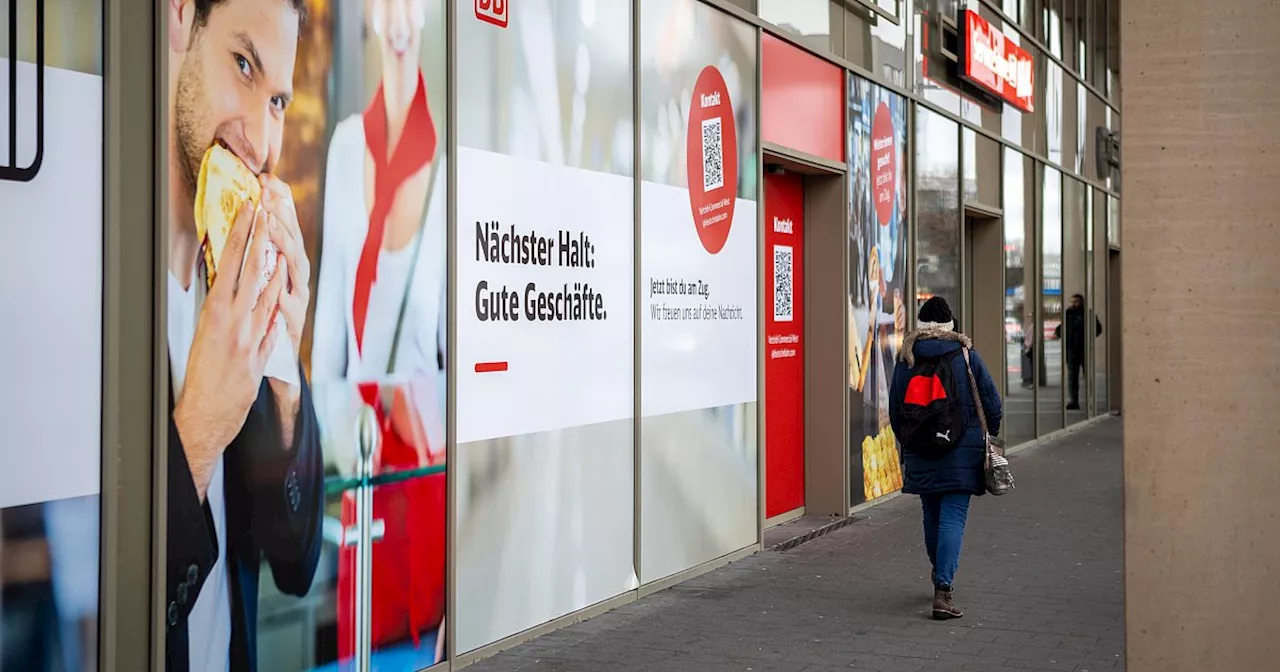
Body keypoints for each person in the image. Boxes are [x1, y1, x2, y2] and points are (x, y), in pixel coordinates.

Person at [163, 0, 323, 670]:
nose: (260, 140)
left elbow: (293, 563)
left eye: (280, 100)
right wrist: (197, 432)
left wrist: (284, 371)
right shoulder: (96, 274)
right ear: (179, 18)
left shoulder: (235, 269)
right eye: (243, 64)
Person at [311, 0, 447, 662]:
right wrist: (345, 445)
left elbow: (461, 359)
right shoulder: (343, 150)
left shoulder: (448, 167)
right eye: (382, 0)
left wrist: (410, 401)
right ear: (366, 13)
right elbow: (327, 351)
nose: (397, 16)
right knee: (366, 649)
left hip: (426, 484)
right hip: (363, 481)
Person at [889, 297, 1003, 620]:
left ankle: (939, 569)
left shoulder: (906, 359)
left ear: (921, 326)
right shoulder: (965, 356)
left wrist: (909, 441)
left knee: (932, 513)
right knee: (953, 516)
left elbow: (896, 411)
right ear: (950, 325)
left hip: (921, 451)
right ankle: (943, 589)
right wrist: (987, 433)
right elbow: (992, 402)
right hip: (961, 452)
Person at [1054, 293, 1102, 410]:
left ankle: (1090, 400)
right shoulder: (1068, 314)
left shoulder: (1088, 314)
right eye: (1072, 301)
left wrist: (1087, 338)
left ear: (1081, 302)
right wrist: (1060, 333)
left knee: (1088, 376)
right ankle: (1073, 401)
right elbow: (1061, 328)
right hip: (1071, 350)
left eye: (1076, 302)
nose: (1074, 304)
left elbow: (1098, 329)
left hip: (1083, 349)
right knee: (1072, 377)